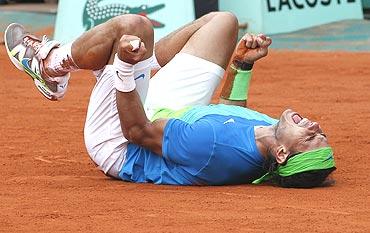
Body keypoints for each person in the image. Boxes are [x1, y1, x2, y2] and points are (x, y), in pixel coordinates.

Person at [4, 12, 336, 188]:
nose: (316, 126)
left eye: (310, 137)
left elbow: (137, 131)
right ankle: (128, 59)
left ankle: (51, 66)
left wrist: (123, 67)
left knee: (135, 28)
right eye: (320, 133)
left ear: (281, 154)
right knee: (223, 23)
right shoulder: (268, 134)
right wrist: (242, 64)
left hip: (121, 141)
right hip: (174, 118)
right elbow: (226, 117)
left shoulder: (212, 147)